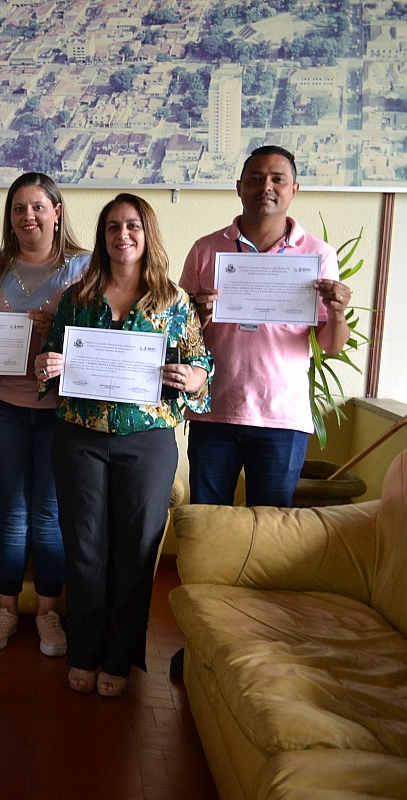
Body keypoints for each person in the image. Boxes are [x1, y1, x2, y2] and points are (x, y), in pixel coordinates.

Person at [34, 194, 212, 698]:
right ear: (102, 236)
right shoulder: (79, 295)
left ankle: (118, 657)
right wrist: (51, 365)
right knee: (85, 548)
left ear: (147, 233)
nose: (122, 235)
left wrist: (193, 377)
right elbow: (55, 356)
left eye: (132, 226)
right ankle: (84, 652)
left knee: (135, 551)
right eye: (113, 227)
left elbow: (204, 367)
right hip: (79, 438)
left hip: (148, 441)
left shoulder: (174, 302)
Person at [179, 145, 351, 508]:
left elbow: (331, 346)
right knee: (208, 524)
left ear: (294, 189)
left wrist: (336, 313)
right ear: (239, 187)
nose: (266, 187)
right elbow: (178, 332)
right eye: (256, 179)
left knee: (270, 530)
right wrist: (200, 314)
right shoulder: (206, 250)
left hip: (281, 416)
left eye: (277, 179)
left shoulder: (318, 254)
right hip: (213, 411)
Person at [0, 173, 89, 655]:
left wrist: (58, 326)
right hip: (4, 409)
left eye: (38, 207)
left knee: (49, 516)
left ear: (57, 211)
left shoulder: (85, 268)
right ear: (10, 217)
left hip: (62, 413)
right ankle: (5, 609)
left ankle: (48, 615)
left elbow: (103, 340)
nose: (28, 217)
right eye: (19, 209)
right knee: (12, 513)